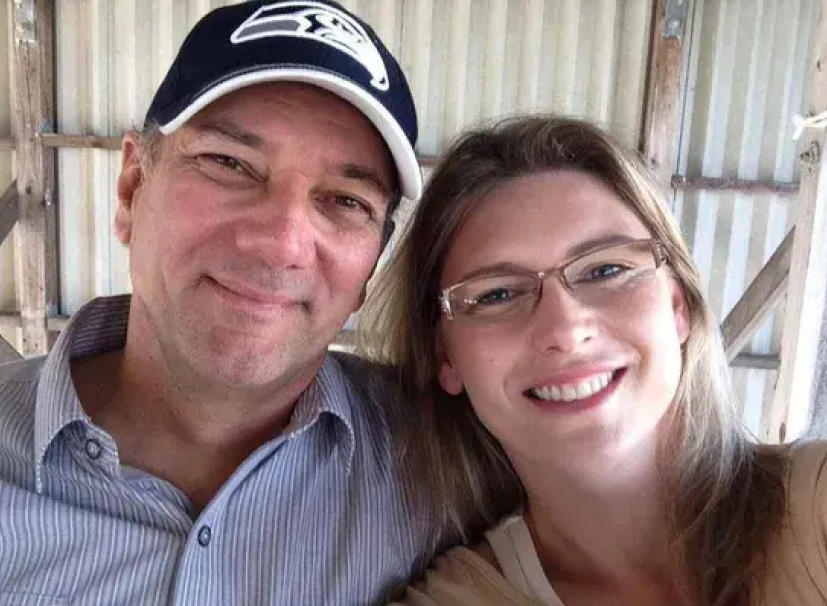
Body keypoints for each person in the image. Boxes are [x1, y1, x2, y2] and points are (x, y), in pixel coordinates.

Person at [0, 1, 445, 604]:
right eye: (229, 163)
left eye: (345, 201)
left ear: (370, 268)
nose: (281, 244)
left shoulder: (444, 468)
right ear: (132, 187)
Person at [360, 115, 827, 606]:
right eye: (496, 295)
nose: (565, 329)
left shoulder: (812, 512)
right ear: (445, 357)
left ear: (677, 305)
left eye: (606, 269)